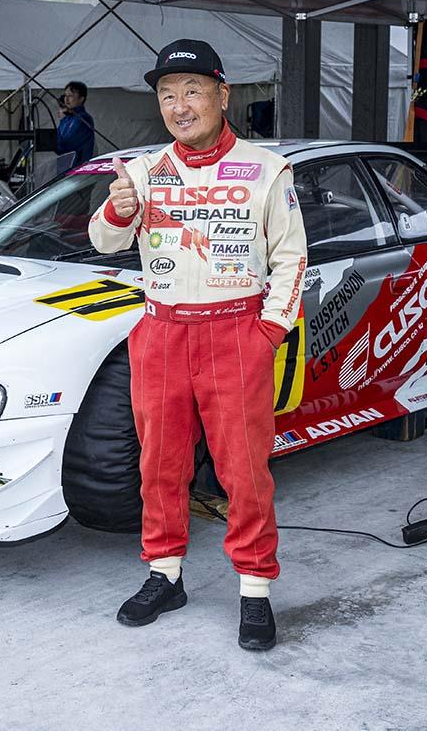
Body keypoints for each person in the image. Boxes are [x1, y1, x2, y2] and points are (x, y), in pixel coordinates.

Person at [87, 40, 307, 651]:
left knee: (244, 469)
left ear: (222, 94)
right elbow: (104, 241)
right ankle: (165, 575)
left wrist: (268, 332)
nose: (180, 106)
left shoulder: (267, 170)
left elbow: (291, 258)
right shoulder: (141, 172)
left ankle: (255, 589)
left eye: (192, 91)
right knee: (159, 464)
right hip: (161, 331)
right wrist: (117, 210)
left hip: (236, 332)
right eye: (167, 95)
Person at [56, 81, 95, 171]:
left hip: (77, 168)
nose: (66, 99)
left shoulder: (83, 119)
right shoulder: (68, 117)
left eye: (70, 96)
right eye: (65, 96)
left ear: (81, 98)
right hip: (64, 167)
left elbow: (67, 144)